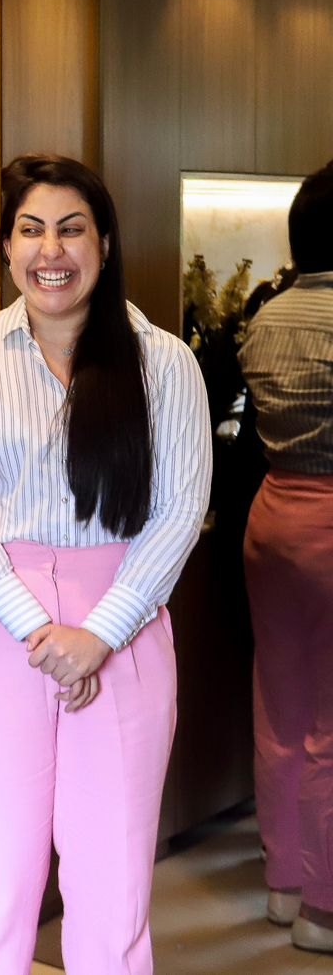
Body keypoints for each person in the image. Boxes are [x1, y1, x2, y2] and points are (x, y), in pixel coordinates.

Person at [0, 155, 210, 974]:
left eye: (71, 229)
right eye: (30, 230)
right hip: (0, 629)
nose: (49, 251)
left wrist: (97, 635)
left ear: (105, 242)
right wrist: (38, 629)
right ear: (6, 246)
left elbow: (179, 512)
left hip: (123, 628)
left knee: (113, 881)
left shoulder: (164, 361)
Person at [239, 160, 333, 954]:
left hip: (273, 514)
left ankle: (283, 886)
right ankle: (325, 910)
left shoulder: (267, 315)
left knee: (280, 706)